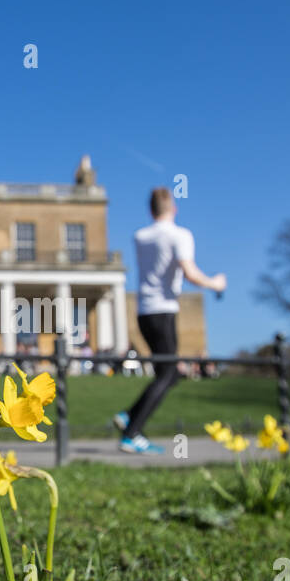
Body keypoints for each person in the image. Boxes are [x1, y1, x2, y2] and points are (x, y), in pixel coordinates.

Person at [116, 187, 226, 454]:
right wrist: (215, 283)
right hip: (164, 311)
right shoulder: (180, 235)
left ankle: (129, 416)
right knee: (168, 374)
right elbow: (189, 272)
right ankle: (131, 433)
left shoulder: (140, 236)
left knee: (167, 373)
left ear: (151, 210)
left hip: (143, 313)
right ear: (173, 208)